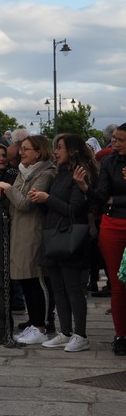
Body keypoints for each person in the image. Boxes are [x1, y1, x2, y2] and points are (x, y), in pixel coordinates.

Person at [0, 135, 56, 345]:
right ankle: (34, 322)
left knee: (34, 278)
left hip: (33, 230)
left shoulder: (45, 173)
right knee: (24, 279)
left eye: (26, 149)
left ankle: (41, 325)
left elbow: (25, 203)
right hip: (18, 229)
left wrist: (6, 187)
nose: (22, 153)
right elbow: (17, 200)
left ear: (39, 152)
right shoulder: (22, 171)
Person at [35, 134, 95, 352]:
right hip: (54, 234)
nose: (56, 152)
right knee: (57, 288)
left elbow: (74, 209)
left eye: (59, 147)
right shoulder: (58, 174)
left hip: (70, 237)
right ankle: (65, 331)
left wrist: (47, 198)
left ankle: (80, 334)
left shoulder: (79, 174)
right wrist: (40, 200)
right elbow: (52, 207)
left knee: (73, 288)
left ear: (71, 150)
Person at [78, 123, 126, 353]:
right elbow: (101, 197)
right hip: (113, 225)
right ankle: (121, 335)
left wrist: (116, 200)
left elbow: (112, 198)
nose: (114, 143)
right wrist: (86, 188)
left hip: (117, 214)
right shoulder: (109, 162)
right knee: (118, 283)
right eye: (114, 139)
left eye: (120, 140)